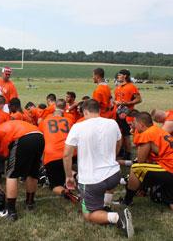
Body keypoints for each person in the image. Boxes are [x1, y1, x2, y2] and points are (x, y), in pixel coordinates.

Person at [63, 100, 134, 237]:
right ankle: (105, 206)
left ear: (85, 112)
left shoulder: (78, 126)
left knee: (89, 215)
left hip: (92, 180)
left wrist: (69, 176)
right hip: (114, 174)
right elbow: (119, 142)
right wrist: (111, 157)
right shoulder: (112, 123)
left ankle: (117, 218)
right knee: (106, 186)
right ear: (99, 110)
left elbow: (67, 154)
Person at [0, 119, 44, 220]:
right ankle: (30, 203)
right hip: (39, 136)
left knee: (11, 174)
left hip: (23, 137)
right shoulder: (4, 128)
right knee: (32, 172)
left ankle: (11, 211)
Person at [124, 111, 173, 209]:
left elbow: (141, 160)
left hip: (169, 167)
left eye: (134, 123)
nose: (133, 126)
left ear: (141, 125)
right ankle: (143, 189)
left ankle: (127, 201)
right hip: (168, 165)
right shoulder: (156, 129)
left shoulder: (147, 134)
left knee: (136, 168)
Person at [38, 99, 77, 201]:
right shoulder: (69, 120)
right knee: (64, 170)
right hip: (69, 153)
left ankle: (65, 192)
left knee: (55, 186)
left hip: (52, 155)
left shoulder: (45, 122)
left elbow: (41, 138)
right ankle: (75, 175)